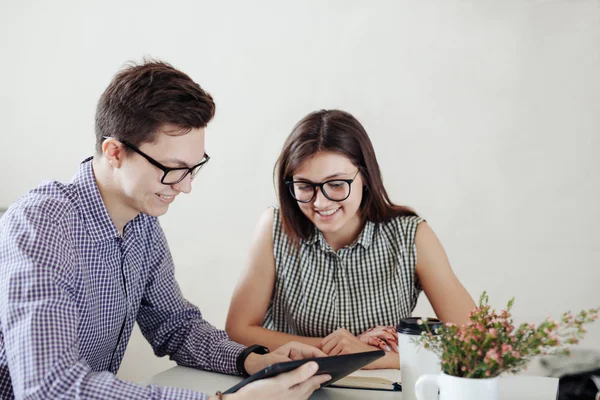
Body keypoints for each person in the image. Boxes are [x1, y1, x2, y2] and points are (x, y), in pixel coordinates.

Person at [0, 60, 330, 399]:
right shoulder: (39, 226)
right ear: (114, 152)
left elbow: (176, 326)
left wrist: (254, 360)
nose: (185, 187)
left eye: (193, 169)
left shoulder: (142, 223)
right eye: (172, 169)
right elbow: (48, 388)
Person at [226, 109, 476, 369]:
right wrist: (337, 349)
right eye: (304, 186)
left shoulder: (411, 236)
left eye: (336, 184)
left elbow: (474, 342)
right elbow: (238, 330)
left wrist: (369, 355)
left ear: (365, 177)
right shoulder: (275, 227)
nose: (320, 202)